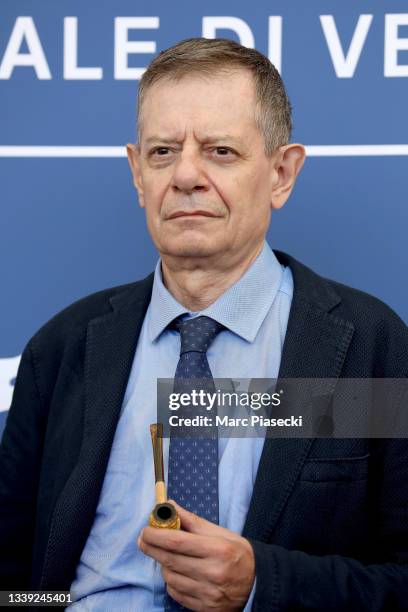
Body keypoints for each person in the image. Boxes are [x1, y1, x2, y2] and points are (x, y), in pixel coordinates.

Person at [1, 37, 407, 611]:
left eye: (219, 151)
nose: (186, 175)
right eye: (163, 152)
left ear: (281, 174)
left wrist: (264, 583)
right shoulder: (64, 349)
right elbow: (14, 580)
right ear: (137, 173)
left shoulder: (369, 346)